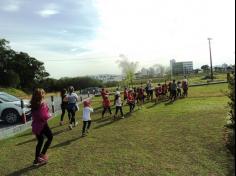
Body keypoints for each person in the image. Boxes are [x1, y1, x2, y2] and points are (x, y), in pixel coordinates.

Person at [31, 88, 53, 166]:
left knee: (40, 141)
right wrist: (49, 115)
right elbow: (42, 115)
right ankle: (42, 155)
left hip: (35, 125)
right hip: (42, 124)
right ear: (41, 95)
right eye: (43, 93)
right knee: (50, 137)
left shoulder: (33, 103)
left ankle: (36, 160)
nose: (44, 94)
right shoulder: (42, 103)